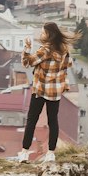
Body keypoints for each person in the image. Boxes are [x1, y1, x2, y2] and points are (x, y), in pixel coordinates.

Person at [17, 22, 73, 164]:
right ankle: (51, 153)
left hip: (41, 89)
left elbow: (27, 62)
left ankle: (24, 152)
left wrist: (27, 49)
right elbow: (68, 65)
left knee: (32, 120)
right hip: (54, 91)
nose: (41, 35)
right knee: (53, 121)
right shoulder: (64, 50)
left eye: (43, 32)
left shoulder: (45, 50)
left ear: (49, 34)